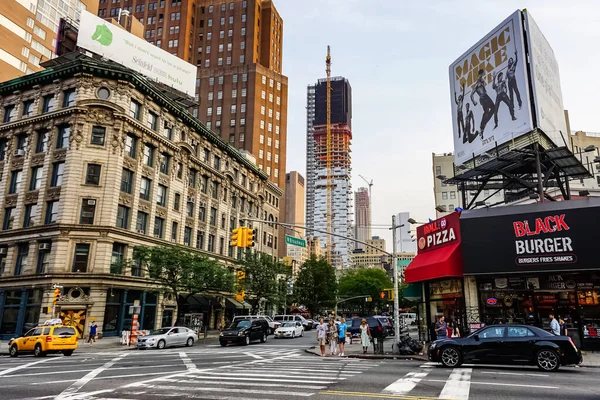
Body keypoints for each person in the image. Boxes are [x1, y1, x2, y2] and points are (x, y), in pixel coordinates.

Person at [470, 69, 495, 139]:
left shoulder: (482, 82)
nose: (481, 76)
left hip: (486, 97)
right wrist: (474, 102)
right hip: (483, 98)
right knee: (486, 112)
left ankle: (483, 125)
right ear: (478, 75)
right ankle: (481, 128)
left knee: (494, 108)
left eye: (482, 75)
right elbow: (471, 95)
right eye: (480, 75)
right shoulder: (477, 84)